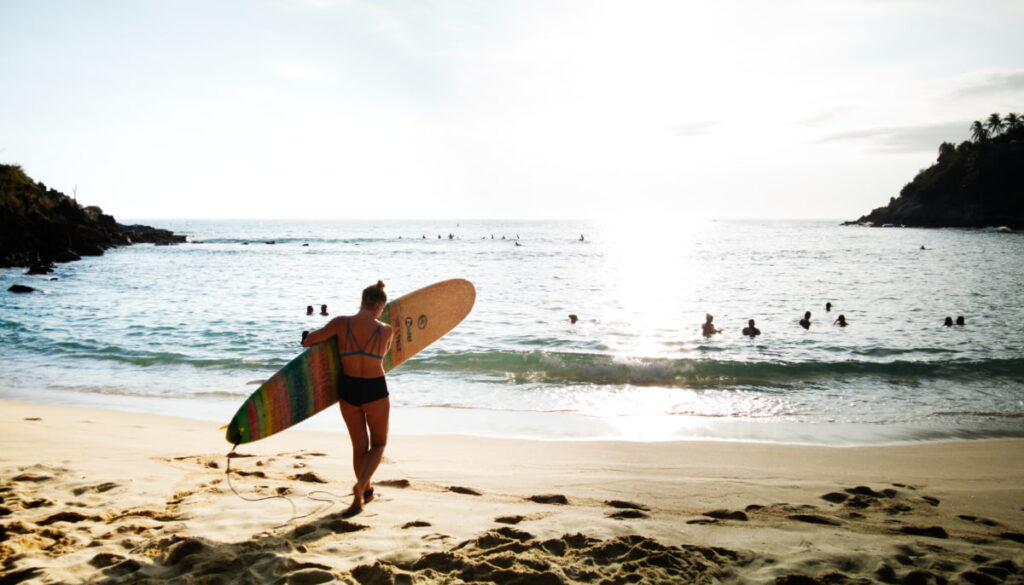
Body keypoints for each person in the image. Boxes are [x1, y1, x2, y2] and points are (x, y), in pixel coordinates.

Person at [302, 281, 395, 516]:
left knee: (359, 446)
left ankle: (366, 490)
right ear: (379, 305)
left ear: (362, 301)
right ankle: (361, 485)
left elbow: (310, 341)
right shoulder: (386, 330)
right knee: (380, 444)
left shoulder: (340, 323)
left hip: (349, 388)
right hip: (374, 387)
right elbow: (387, 354)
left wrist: (306, 337)